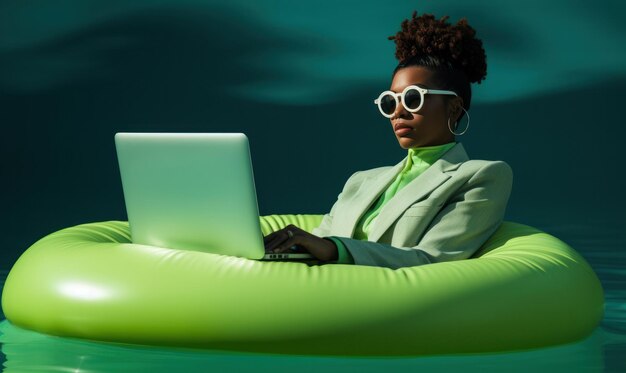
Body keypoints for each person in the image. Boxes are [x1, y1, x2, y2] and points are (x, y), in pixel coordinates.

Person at [263, 11, 513, 269]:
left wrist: (334, 249)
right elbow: (318, 241)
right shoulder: (361, 181)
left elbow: (432, 259)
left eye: (413, 98)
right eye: (389, 101)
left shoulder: (482, 176)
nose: (398, 111)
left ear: (454, 107)